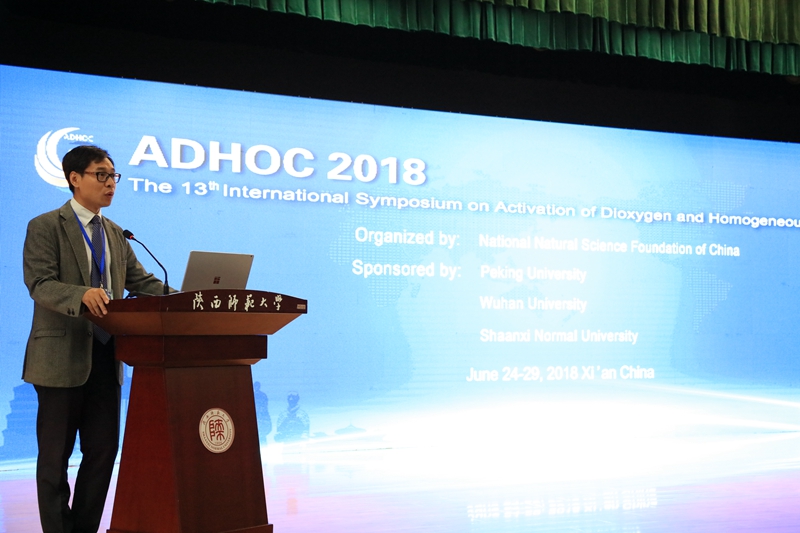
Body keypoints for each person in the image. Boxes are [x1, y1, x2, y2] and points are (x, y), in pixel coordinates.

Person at [22, 145, 168, 533]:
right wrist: (81, 295)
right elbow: (40, 283)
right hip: (60, 357)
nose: (110, 184)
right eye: (101, 175)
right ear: (74, 178)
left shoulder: (116, 233)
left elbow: (143, 283)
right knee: (54, 458)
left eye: (113, 176)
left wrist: (189, 298)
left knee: (103, 452)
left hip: (106, 356)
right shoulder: (45, 226)